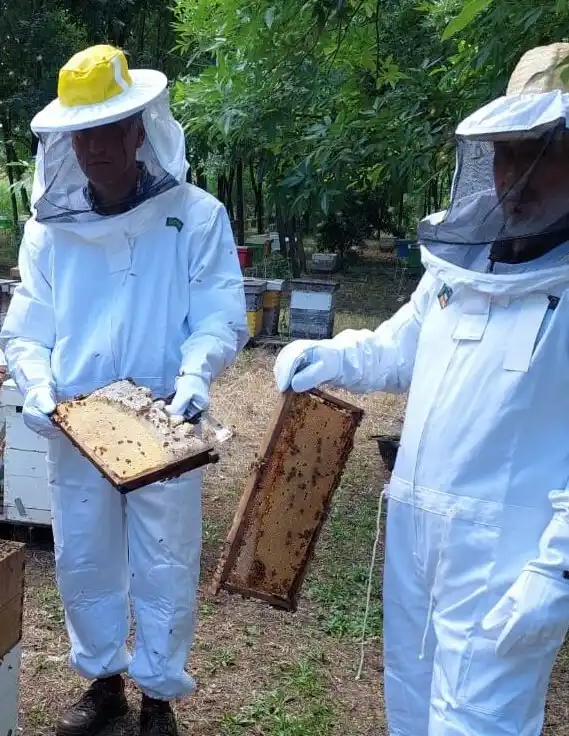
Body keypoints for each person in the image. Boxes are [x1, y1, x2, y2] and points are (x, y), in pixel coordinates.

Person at [274, 43, 569, 736]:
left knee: (477, 726)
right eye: (502, 152)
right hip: (415, 531)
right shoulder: (456, 268)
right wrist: (327, 354)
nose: (513, 177)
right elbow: (398, 349)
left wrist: (556, 573)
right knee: (410, 706)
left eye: (540, 154)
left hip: (509, 557)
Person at [0, 45, 247, 736]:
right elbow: (26, 327)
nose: (98, 147)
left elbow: (220, 314)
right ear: (67, 141)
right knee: (84, 552)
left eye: (111, 130)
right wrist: (39, 389)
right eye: (85, 133)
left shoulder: (196, 216)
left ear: (141, 129)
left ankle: (158, 696)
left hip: (162, 417)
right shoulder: (49, 230)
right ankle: (103, 683)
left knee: (164, 555)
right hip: (77, 423)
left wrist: (195, 378)